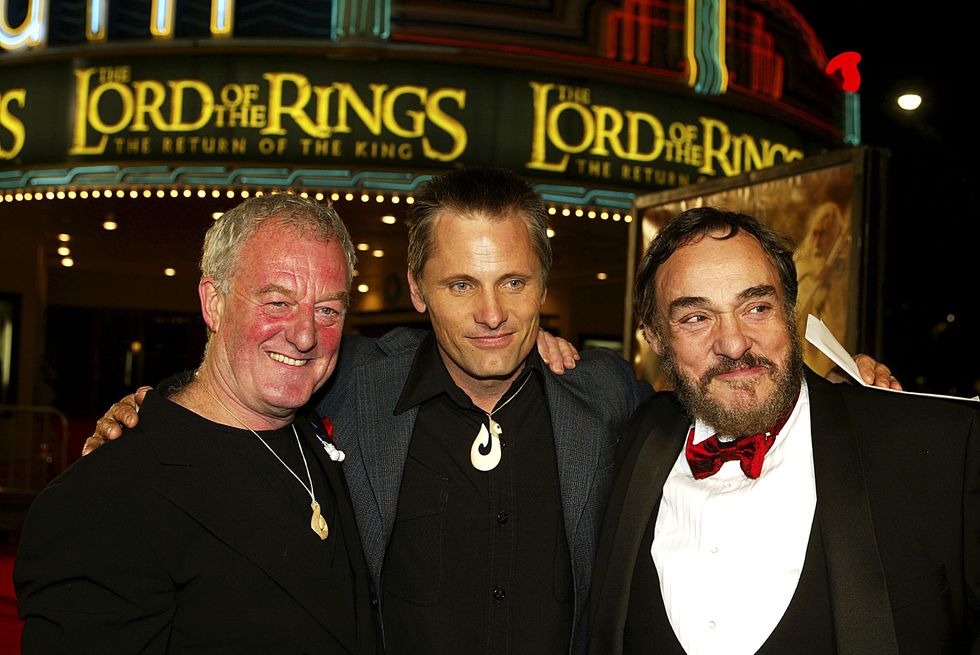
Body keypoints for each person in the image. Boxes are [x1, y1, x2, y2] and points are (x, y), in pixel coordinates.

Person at [87, 170, 899, 654]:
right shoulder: (351, 386)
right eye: (460, 284)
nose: (491, 314)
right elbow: (251, 373)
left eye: (513, 282)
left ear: (542, 286)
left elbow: (727, 393)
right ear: (415, 289)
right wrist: (146, 408)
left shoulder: (607, 395)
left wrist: (839, 405)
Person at [588, 206, 979, 654]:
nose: (733, 343)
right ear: (656, 339)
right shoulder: (635, 435)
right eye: (696, 317)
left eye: (756, 307)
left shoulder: (936, 449)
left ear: (789, 314)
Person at [15, 195, 379, 654]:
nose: (305, 336)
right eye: (277, 302)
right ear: (214, 302)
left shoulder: (336, 424)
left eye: (327, 309)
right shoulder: (103, 496)